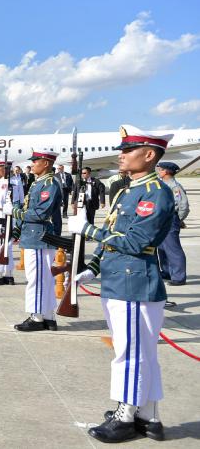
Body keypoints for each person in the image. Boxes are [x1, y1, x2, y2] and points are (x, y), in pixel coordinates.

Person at [69, 125, 175, 443]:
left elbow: (135, 241)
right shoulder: (128, 190)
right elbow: (114, 231)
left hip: (134, 284)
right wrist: (94, 265)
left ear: (149, 154)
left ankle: (125, 417)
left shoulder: (156, 193)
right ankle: (148, 416)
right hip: (119, 279)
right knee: (142, 354)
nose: (122, 155)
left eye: (129, 150)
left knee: (129, 354)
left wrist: (88, 231)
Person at [4, 149, 62, 332]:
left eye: (36, 161)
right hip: (34, 235)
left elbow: (40, 213)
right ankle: (48, 316)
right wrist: (17, 229)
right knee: (43, 279)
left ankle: (36, 317)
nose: (32, 164)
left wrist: (13, 212)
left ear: (46, 163)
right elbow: (31, 207)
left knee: (36, 279)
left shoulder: (50, 184)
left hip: (40, 237)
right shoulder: (39, 183)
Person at [156, 161, 188, 286]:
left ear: (166, 171)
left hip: (170, 219)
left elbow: (183, 205)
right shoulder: (162, 184)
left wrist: (177, 219)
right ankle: (167, 272)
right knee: (162, 248)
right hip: (160, 220)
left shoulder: (174, 186)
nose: (159, 171)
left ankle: (179, 277)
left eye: (160, 169)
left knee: (173, 249)